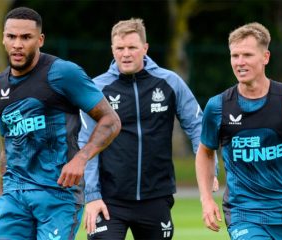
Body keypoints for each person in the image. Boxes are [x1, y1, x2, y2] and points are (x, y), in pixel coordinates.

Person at [0, 7, 121, 240]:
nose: (17, 44)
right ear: (3, 38)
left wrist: (81, 159)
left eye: (26, 37)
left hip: (57, 195)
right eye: (11, 37)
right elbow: (8, 149)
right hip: (14, 197)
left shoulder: (63, 73)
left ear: (40, 40)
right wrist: (0, 208)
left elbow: (111, 121)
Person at [79, 18, 218, 240]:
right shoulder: (97, 89)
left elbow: (198, 128)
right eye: (120, 48)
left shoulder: (170, 82)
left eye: (132, 47)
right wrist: (92, 195)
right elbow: (86, 144)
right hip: (109, 199)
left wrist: (212, 171)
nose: (126, 54)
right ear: (112, 49)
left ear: (145, 48)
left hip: (156, 197)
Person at [196, 22, 282, 240]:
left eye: (247, 55)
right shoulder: (218, 106)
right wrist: (206, 199)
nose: (240, 62)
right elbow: (205, 152)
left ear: (265, 57)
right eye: (234, 56)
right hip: (243, 212)